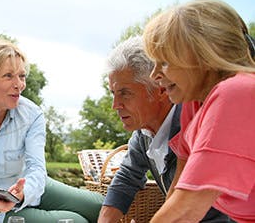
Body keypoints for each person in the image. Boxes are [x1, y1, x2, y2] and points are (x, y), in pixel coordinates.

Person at [0, 39, 104, 223]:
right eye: (8, 76)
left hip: (29, 189)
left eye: (21, 76)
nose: (19, 84)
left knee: (102, 207)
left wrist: (24, 192)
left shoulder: (32, 114)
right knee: (77, 221)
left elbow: (37, 169)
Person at [143, 0, 255, 222]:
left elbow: (186, 209)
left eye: (164, 62)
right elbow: (178, 190)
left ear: (203, 56)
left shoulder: (238, 92)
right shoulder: (194, 102)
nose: (153, 76)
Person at [97, 36, 231, 222]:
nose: (115, 105)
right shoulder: (143, 133)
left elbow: (198, 211)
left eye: (124, 93)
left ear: (160, 89)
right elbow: (127, 178)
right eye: (113, 93)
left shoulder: (196, 124)